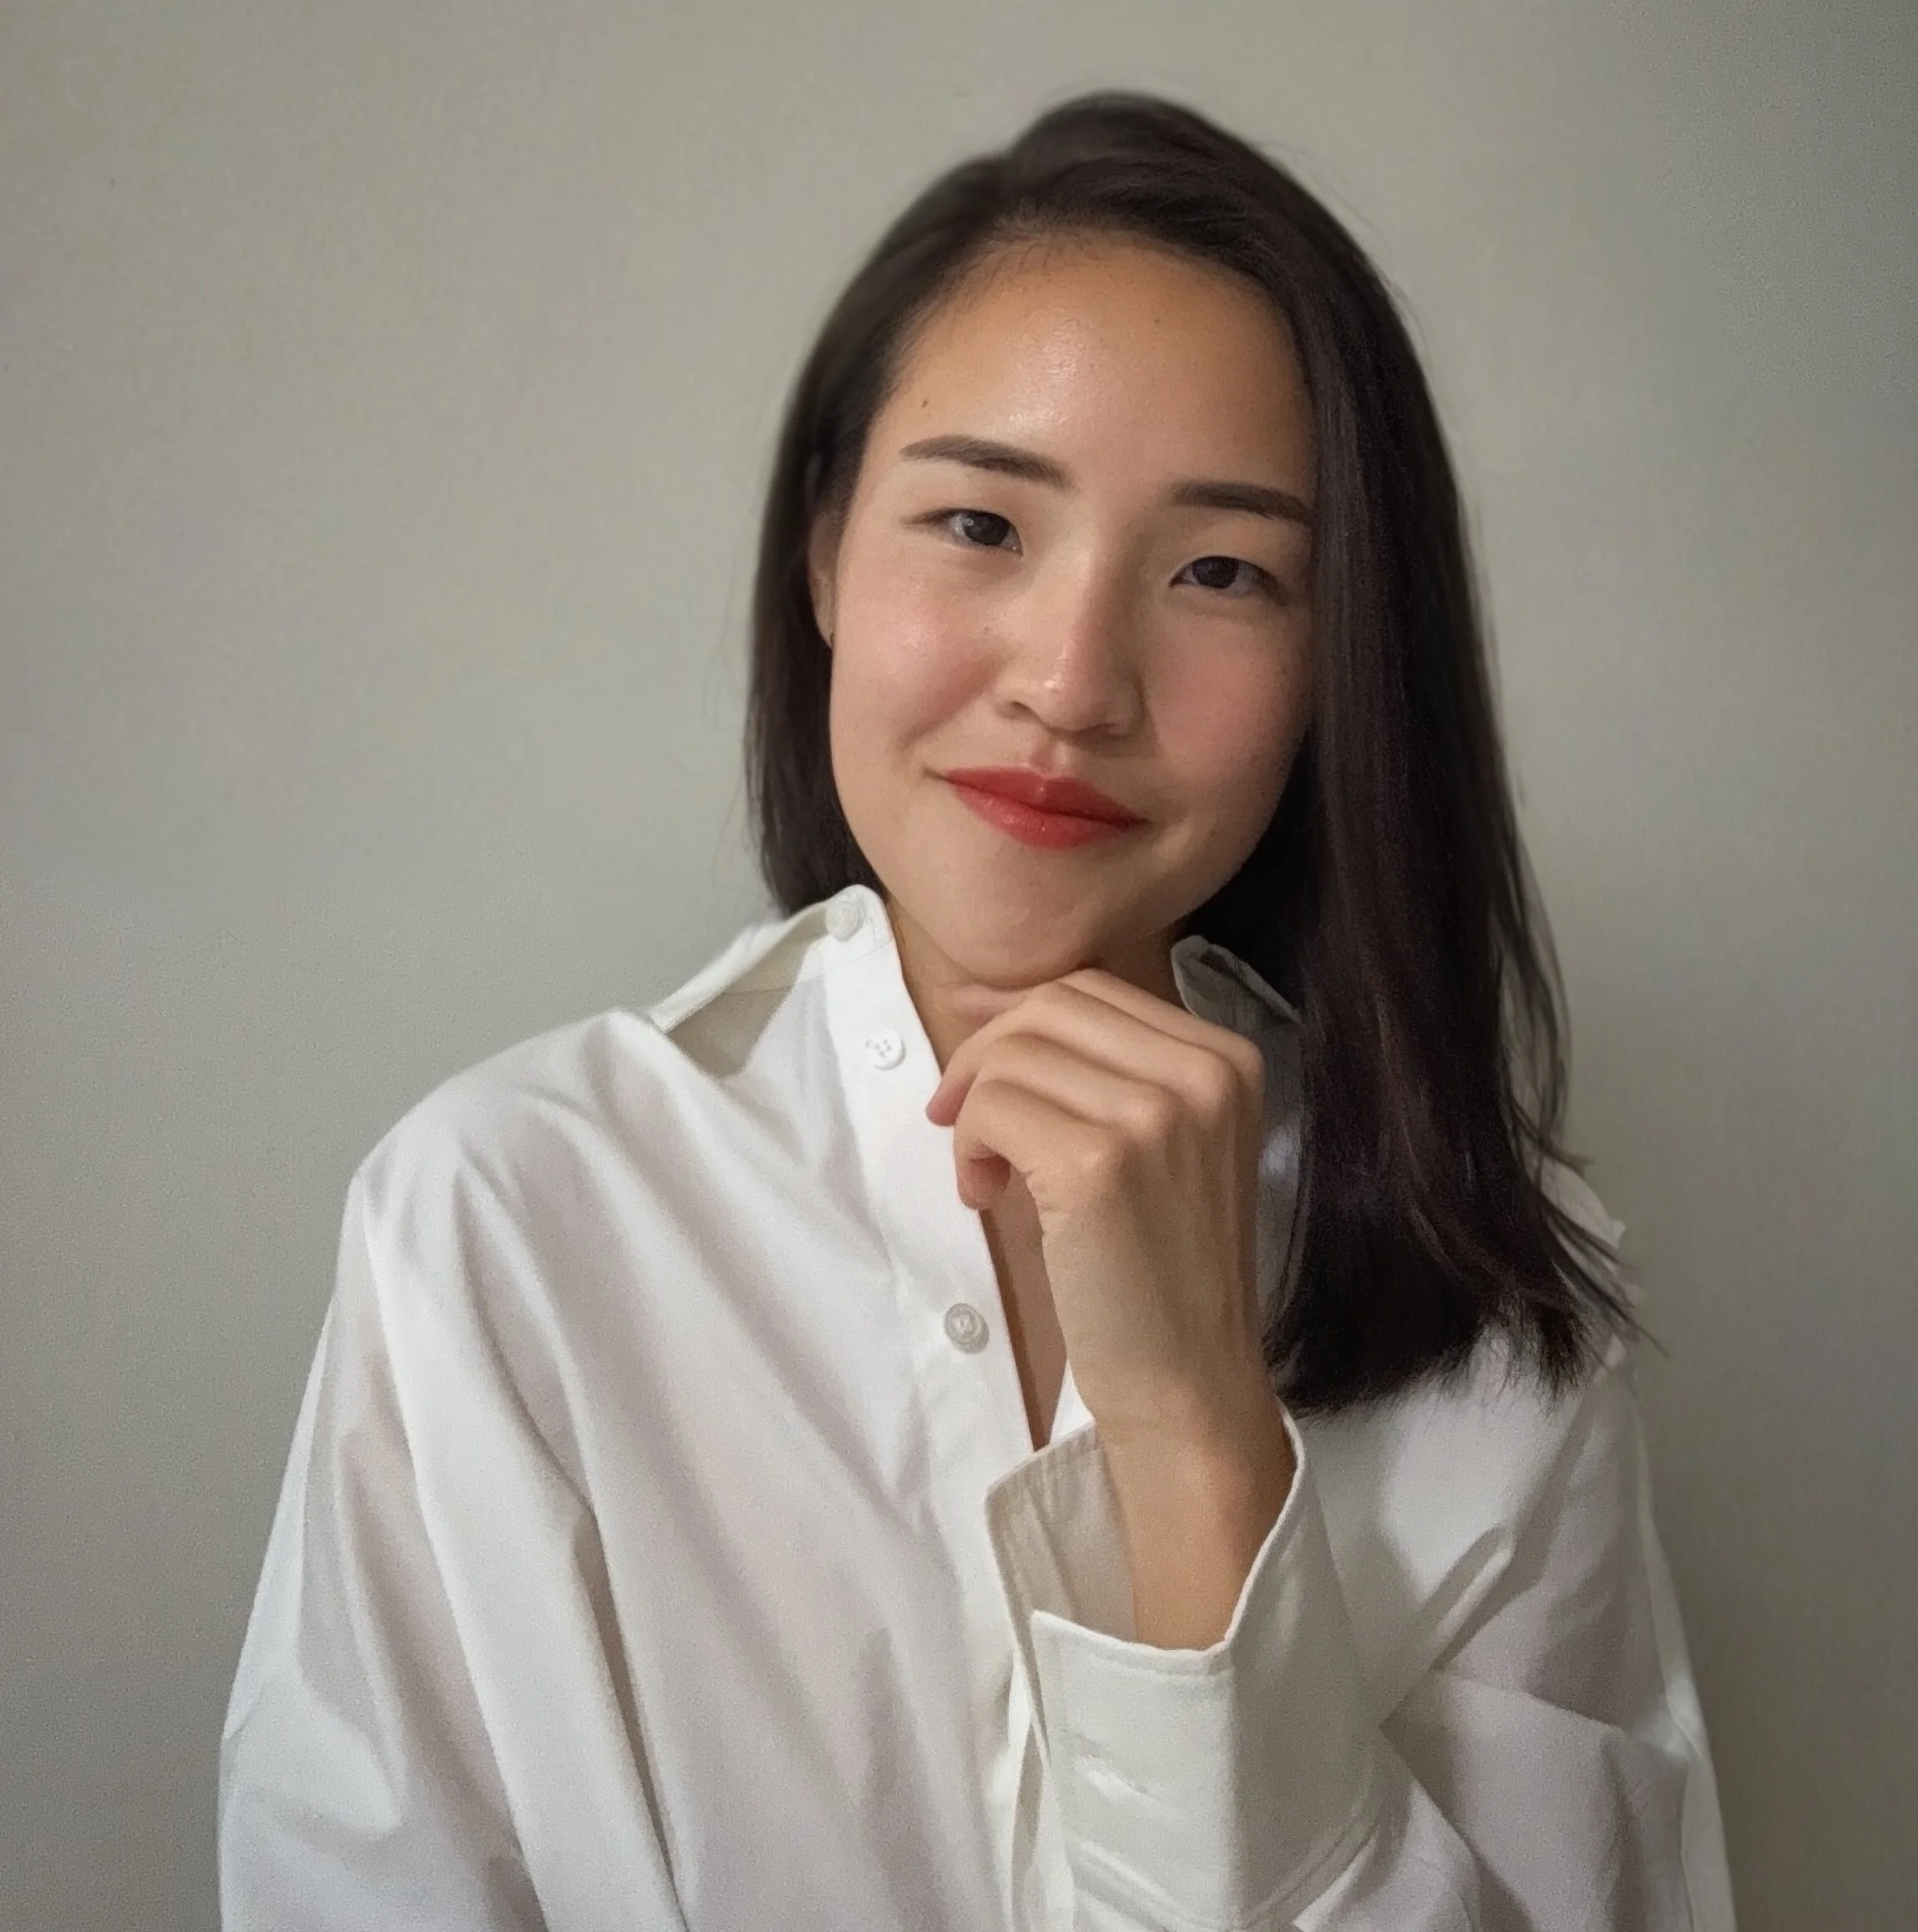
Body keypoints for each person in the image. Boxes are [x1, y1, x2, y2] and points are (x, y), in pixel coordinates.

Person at [217, 93, 1736, 1929]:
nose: (1076, 680)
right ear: (825, 557)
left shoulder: (1497, 1289)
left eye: (1222, 569)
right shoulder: (505, 1215)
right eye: (977, 521)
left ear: (1344, 659)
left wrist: (1194, 1437)